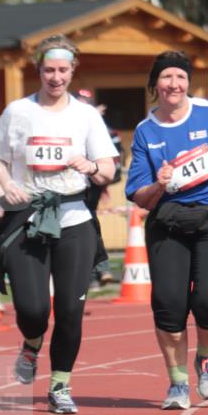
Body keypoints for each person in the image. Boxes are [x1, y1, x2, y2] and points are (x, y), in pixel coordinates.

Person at [0, 34, 117, 414]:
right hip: (28, 219)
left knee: (71, 311)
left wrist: (90, 166)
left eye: (62, 70)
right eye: (48, 70)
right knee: (32, 309)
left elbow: (107, 170)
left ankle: (60, 385)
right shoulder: (18, 111)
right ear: (38, 70)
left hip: (74, 219)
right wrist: (7, 185)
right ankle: (31, 343)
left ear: (73, 70)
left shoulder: (86, 115)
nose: (55, 77)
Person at [125, 50, 208, 410]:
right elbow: (139, 196)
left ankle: (206, 358)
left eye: (180, 77)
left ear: (188, 82)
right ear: (155, 84)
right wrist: (159, 183)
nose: (174, 84)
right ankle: (178, 383)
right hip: (169, 223)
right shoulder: (146, 131)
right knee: (169, 307)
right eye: (166, 77)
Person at [75, 88, 124, 285]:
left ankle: (98, 269)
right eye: (80, 101)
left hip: (91, 184)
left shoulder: (101, 127)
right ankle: (98, 270)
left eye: (86, 102)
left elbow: (112, 158)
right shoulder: (67, 122)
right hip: (71, 186)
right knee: (85, 226)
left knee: (88, 224)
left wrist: (104, 182)